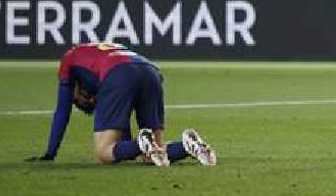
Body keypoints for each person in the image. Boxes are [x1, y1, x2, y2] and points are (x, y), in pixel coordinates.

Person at [27, 42, 216, 167]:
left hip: (118, 72)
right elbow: (122, 118)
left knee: (103, 153)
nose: (86, 99)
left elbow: (62, 110)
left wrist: (50, 153)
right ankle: (189, 146)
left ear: (78, 89)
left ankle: (143, 143)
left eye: (80, 99)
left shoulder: (69, 59)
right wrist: (128, 147)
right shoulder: (101, 53)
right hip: (150, 72)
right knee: (154, 154)